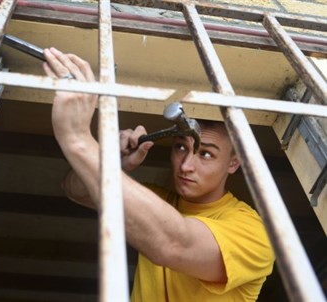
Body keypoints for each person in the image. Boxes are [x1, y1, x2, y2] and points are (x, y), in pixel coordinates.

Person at [42, 47, 275, 301]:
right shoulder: (158, 200)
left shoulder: (255, 232)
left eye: (205, 154)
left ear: (233, 164)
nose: (186, 165)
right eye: (181, 147)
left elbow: (174, 244)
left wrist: (78, 139)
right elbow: (75, 190)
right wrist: (111, 161)